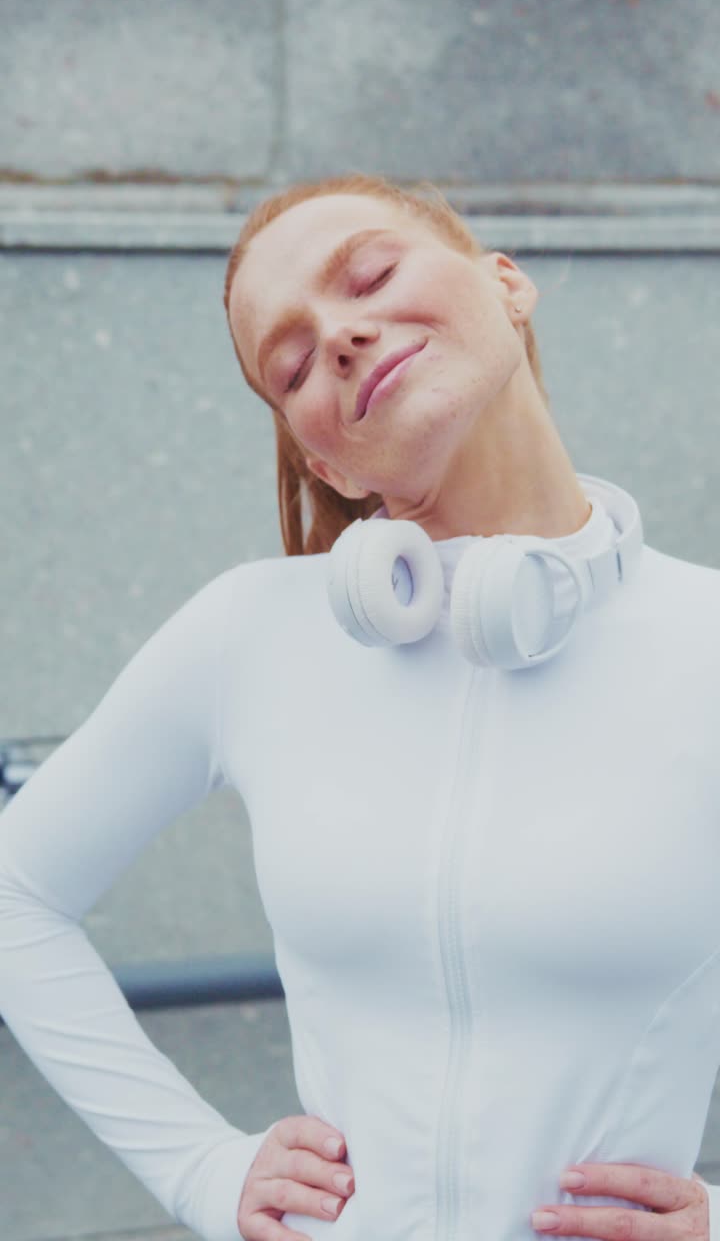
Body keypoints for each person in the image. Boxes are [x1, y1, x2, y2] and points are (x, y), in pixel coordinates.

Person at [0, 172, 719, 1241]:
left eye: (372, 274)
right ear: (324, 455)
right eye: (290, 363)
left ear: (506, 285)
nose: (338, 334)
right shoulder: (250, 632)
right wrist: (201, 1166)